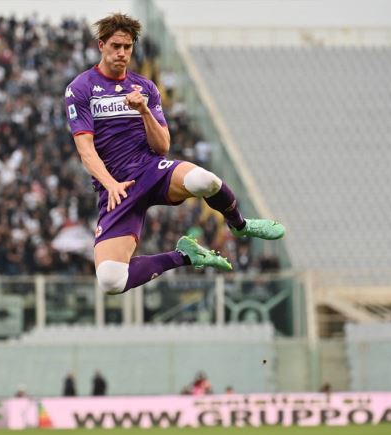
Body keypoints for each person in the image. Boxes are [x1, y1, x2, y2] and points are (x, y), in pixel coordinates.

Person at [64, 13, 285, 295]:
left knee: (206, 181)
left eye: (127, 47)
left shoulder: (145, 88)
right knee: (111, 281)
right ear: (101, 45)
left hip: (150, 170)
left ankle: (239, 225)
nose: (122, 53)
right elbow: (85, 150)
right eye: (115, 46)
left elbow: (162, 146)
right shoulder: (81, 88)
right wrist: (111, 184)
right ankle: (185, 255)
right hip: (116, 188)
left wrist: (143, 110)